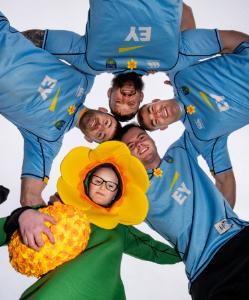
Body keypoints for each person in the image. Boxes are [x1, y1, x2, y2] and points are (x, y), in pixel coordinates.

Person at [1, 141, 181, 299]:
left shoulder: (118, 228)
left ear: (116, 195)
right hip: (58, 292)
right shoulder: (55, 211)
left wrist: (195, 254)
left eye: (111, 185)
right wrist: (22, 215)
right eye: (98, 180)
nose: (103, 187)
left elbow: (152, 249)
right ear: (87, 181)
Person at [22, 7, 248, 121]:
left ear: (110, 92)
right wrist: (183, 68)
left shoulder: (90, 62)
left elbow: (39, 38)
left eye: (118, 100)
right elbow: (184, 9)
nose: (126, 97)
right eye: (131, 103)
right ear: (141, 98)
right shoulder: (172, 61)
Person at [0, 12, 122, 207]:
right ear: (103, 110)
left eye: (100, 134)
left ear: (89, 139)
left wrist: (59, 216)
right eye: (106, 122)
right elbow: (43, 38)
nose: (99, 126)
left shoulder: (48, 141)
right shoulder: (85, 75)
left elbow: (30, 197)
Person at [119, 124, 249, 299]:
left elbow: (206, 122)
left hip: (238, 239)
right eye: (131, 146)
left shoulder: (179, 151)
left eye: (141, 137)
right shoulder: (134, 193)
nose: (139, 144)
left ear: (152, 138)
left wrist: (175, 106)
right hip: (206, 271)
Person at [137, 41, 249, 208]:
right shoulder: (201, 137)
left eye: (151, 109)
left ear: (156, 100)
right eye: (155, 122)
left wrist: (153, 63)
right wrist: (223, 226)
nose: (157, 114)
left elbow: (187, 34)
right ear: (162, 128)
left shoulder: (177, 72)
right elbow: (225, 181)